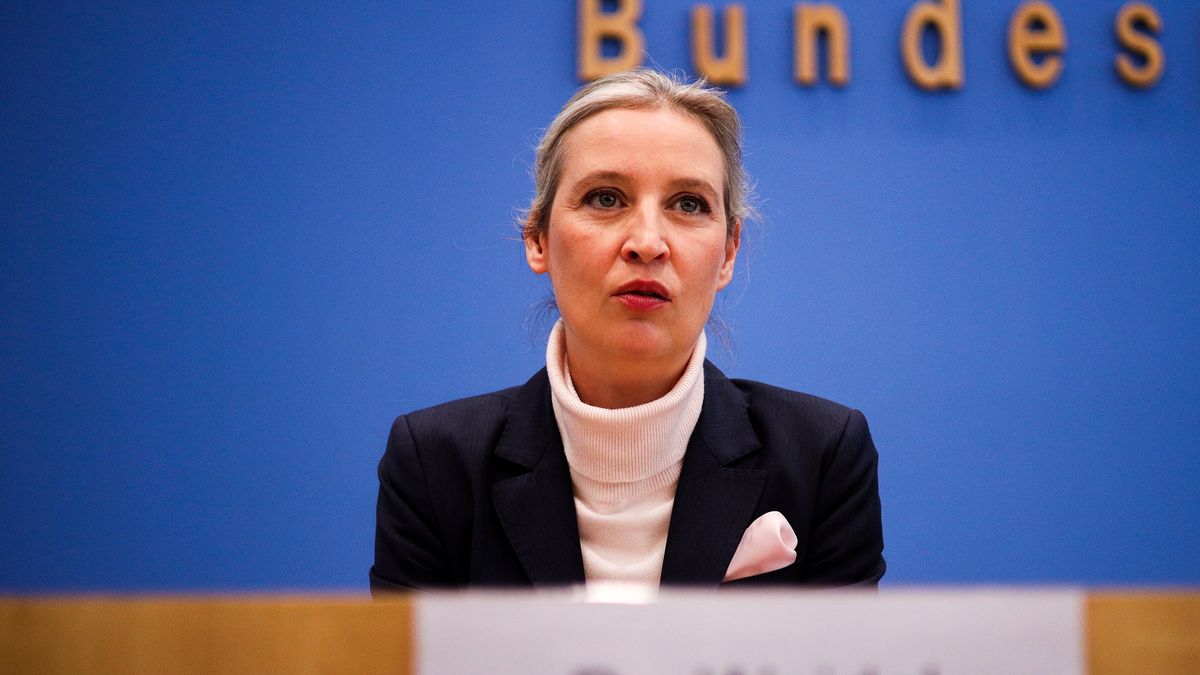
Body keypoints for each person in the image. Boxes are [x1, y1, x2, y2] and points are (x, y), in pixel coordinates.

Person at [371, 68, 884, 592]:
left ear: (729, 252)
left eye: (688, 204)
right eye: (606, 198)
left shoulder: (821, 456)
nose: (647, 242)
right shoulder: (435, 464)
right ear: (537, 239)